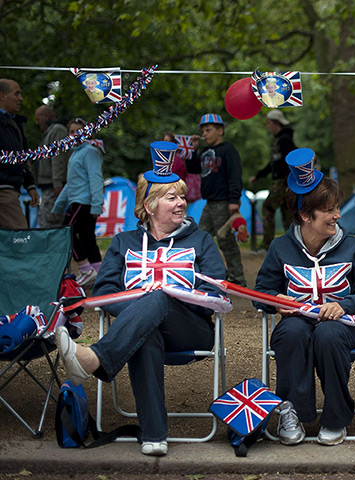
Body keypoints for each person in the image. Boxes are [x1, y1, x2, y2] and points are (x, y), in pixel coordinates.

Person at [56, 141, 227, 457]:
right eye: (171, 197)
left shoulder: (201, 240)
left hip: (191, 329)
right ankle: (154, 434)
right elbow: (104, 293)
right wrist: (143, 309)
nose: (181, 203)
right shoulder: (124, 241)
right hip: (139, 331)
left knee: (159, 298)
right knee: (146, 330)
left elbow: (217, 292)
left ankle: (95, 358)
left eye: (181, 196)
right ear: (149, 206)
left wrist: (170, 300)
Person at [253, 147, 355, 447]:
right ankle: (293, 413)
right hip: (297, 322)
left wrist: (344, 305)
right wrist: (276, 299)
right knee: (291, 332)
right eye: (329, 210)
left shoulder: (353, 247)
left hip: (341, 328)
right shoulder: (280, 248)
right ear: (305, 215)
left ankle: (336, 417)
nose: (338, 215)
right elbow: (259, 293)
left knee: (328, 335)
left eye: (337, 208)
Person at [186, 113, 246, 286]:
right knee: (201, 236)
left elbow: (235, 176)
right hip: (209, 203)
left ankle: (237, 277)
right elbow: (193, 168)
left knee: (226, 241)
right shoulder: (204, 151)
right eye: (202, 131)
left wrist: (234, 200)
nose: (204, 134)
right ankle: (214, 273)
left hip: (224, 202)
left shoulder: (228, 150)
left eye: (208, 130)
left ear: (220, 130)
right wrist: (193, 149)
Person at [51, 118, 104, 287]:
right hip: (77, 201)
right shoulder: (75, 153)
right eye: (71, 131)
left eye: (78, 131)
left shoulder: (89, 151)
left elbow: (95, 178)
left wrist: (97, 204)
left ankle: (85, 269)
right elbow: (70, 183)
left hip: (83, 202)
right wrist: (59, 204)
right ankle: (100, 273)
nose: (74, 134)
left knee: (68, 233)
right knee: (88, 238)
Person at [248, 109, 296, 251]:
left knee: (267, 208)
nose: (267, 126)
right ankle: (293, 245)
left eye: (269, 123)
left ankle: (268, 244)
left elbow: (289, 162)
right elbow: (273, 163)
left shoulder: (285, 140)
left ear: (276, 123)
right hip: (281, 182)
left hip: (283, 183)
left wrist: (289, 183)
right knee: (286, 213)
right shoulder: (279, 140)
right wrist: (259, 175)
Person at [0, 78, 39, 229]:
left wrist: (29, 185)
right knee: (20, 239)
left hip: (11, 188)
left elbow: (23, 157)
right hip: (4, 191)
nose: (21, 99)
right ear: (2, 96)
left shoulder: (14, 122)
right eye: (16, 94)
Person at [34, 105, 69, 228]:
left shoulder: (57, 130)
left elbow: (57, 158)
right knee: (45, 220)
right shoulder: (50, 132)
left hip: (53, 186)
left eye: (38, 119)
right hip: (48, 185)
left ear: (47, 116)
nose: (37, 123)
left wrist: (57, 182)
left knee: (50, 221)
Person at [162, 132, 201, 203]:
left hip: (177, 192)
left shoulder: (178, 159)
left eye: (168, 141)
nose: (165, 144)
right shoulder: (163, 159)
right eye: (164, 141)